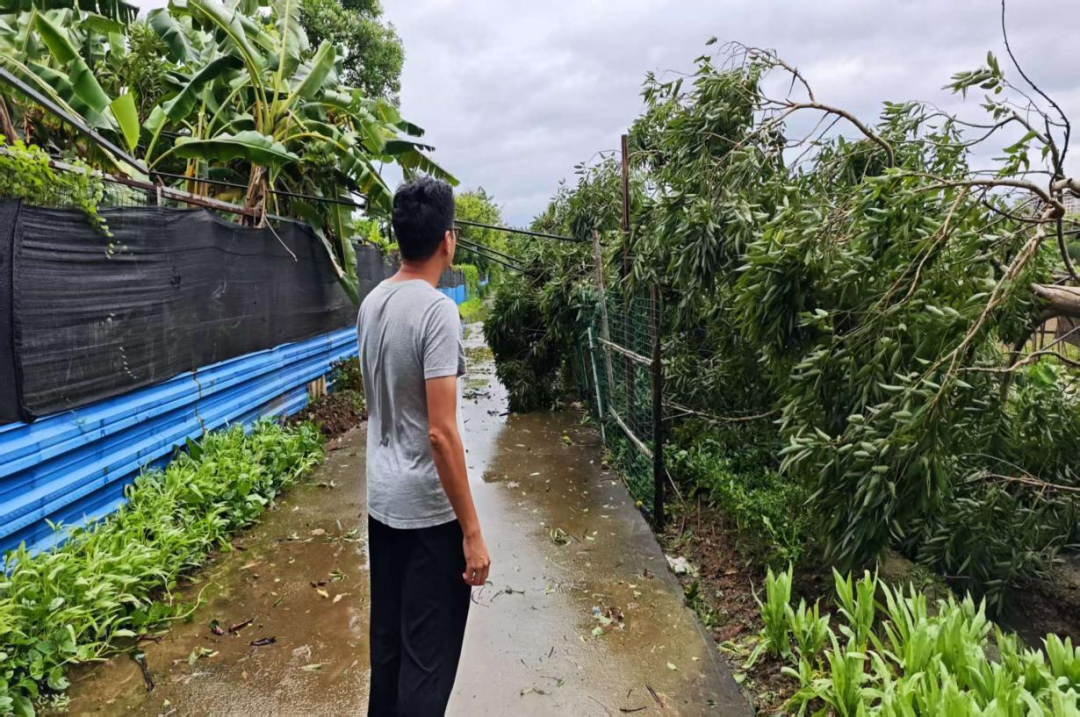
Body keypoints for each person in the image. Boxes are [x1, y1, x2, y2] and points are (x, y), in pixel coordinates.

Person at [356, 176, 491, 717]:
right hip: (428, 519)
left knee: (388, 650)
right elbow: (441, 432)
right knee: (427, 663)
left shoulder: (372, 303)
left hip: (382, 503)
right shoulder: (437, 312)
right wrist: (472, 532)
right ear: (447, 240)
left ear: (398, 237)